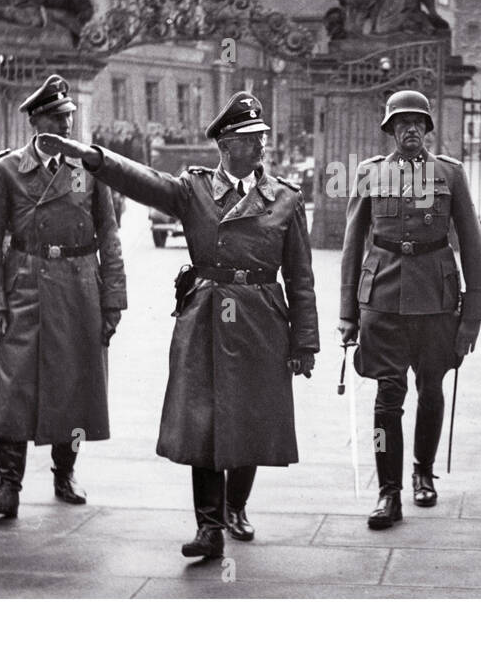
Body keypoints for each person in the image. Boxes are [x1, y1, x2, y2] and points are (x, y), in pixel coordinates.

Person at [42, 90, 318, 559]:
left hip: (260, 318)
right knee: (204, 424)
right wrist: (94, 158)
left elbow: (301, 276)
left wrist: (304, 341)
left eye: (263, 137)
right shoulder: (193, 192)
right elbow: (144, 182)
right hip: (205, 318)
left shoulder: (285, 199)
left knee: (250, 418)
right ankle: (209, 528)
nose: (262, 146)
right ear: (225, 145)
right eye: (252, 139)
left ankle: (236, 507)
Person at [0, 75, 126, 519]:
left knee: (76, 387)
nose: (67, 126)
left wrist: (113, 299)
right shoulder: (6, 171)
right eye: (58, 118)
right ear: (36, 123)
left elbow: (110, 236)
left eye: (69, 118)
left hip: (80, 288)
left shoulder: (90, 170)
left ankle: (65, 473)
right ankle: (9, 486)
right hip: (25, 285)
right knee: (15, 386)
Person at [339, 90, 481, 529]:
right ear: (389, 130)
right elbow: (352, 246)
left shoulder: (451, 175)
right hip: (382, 300)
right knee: (387, 397)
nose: (410, 130)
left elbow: (473, 246)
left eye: (418, 123)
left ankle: (423, 470)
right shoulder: (369, 174)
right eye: (401, 123)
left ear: (427, 129)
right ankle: (389, 493)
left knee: (431, 388)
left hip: (437, 303)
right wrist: (347, 314)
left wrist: (472, 316)